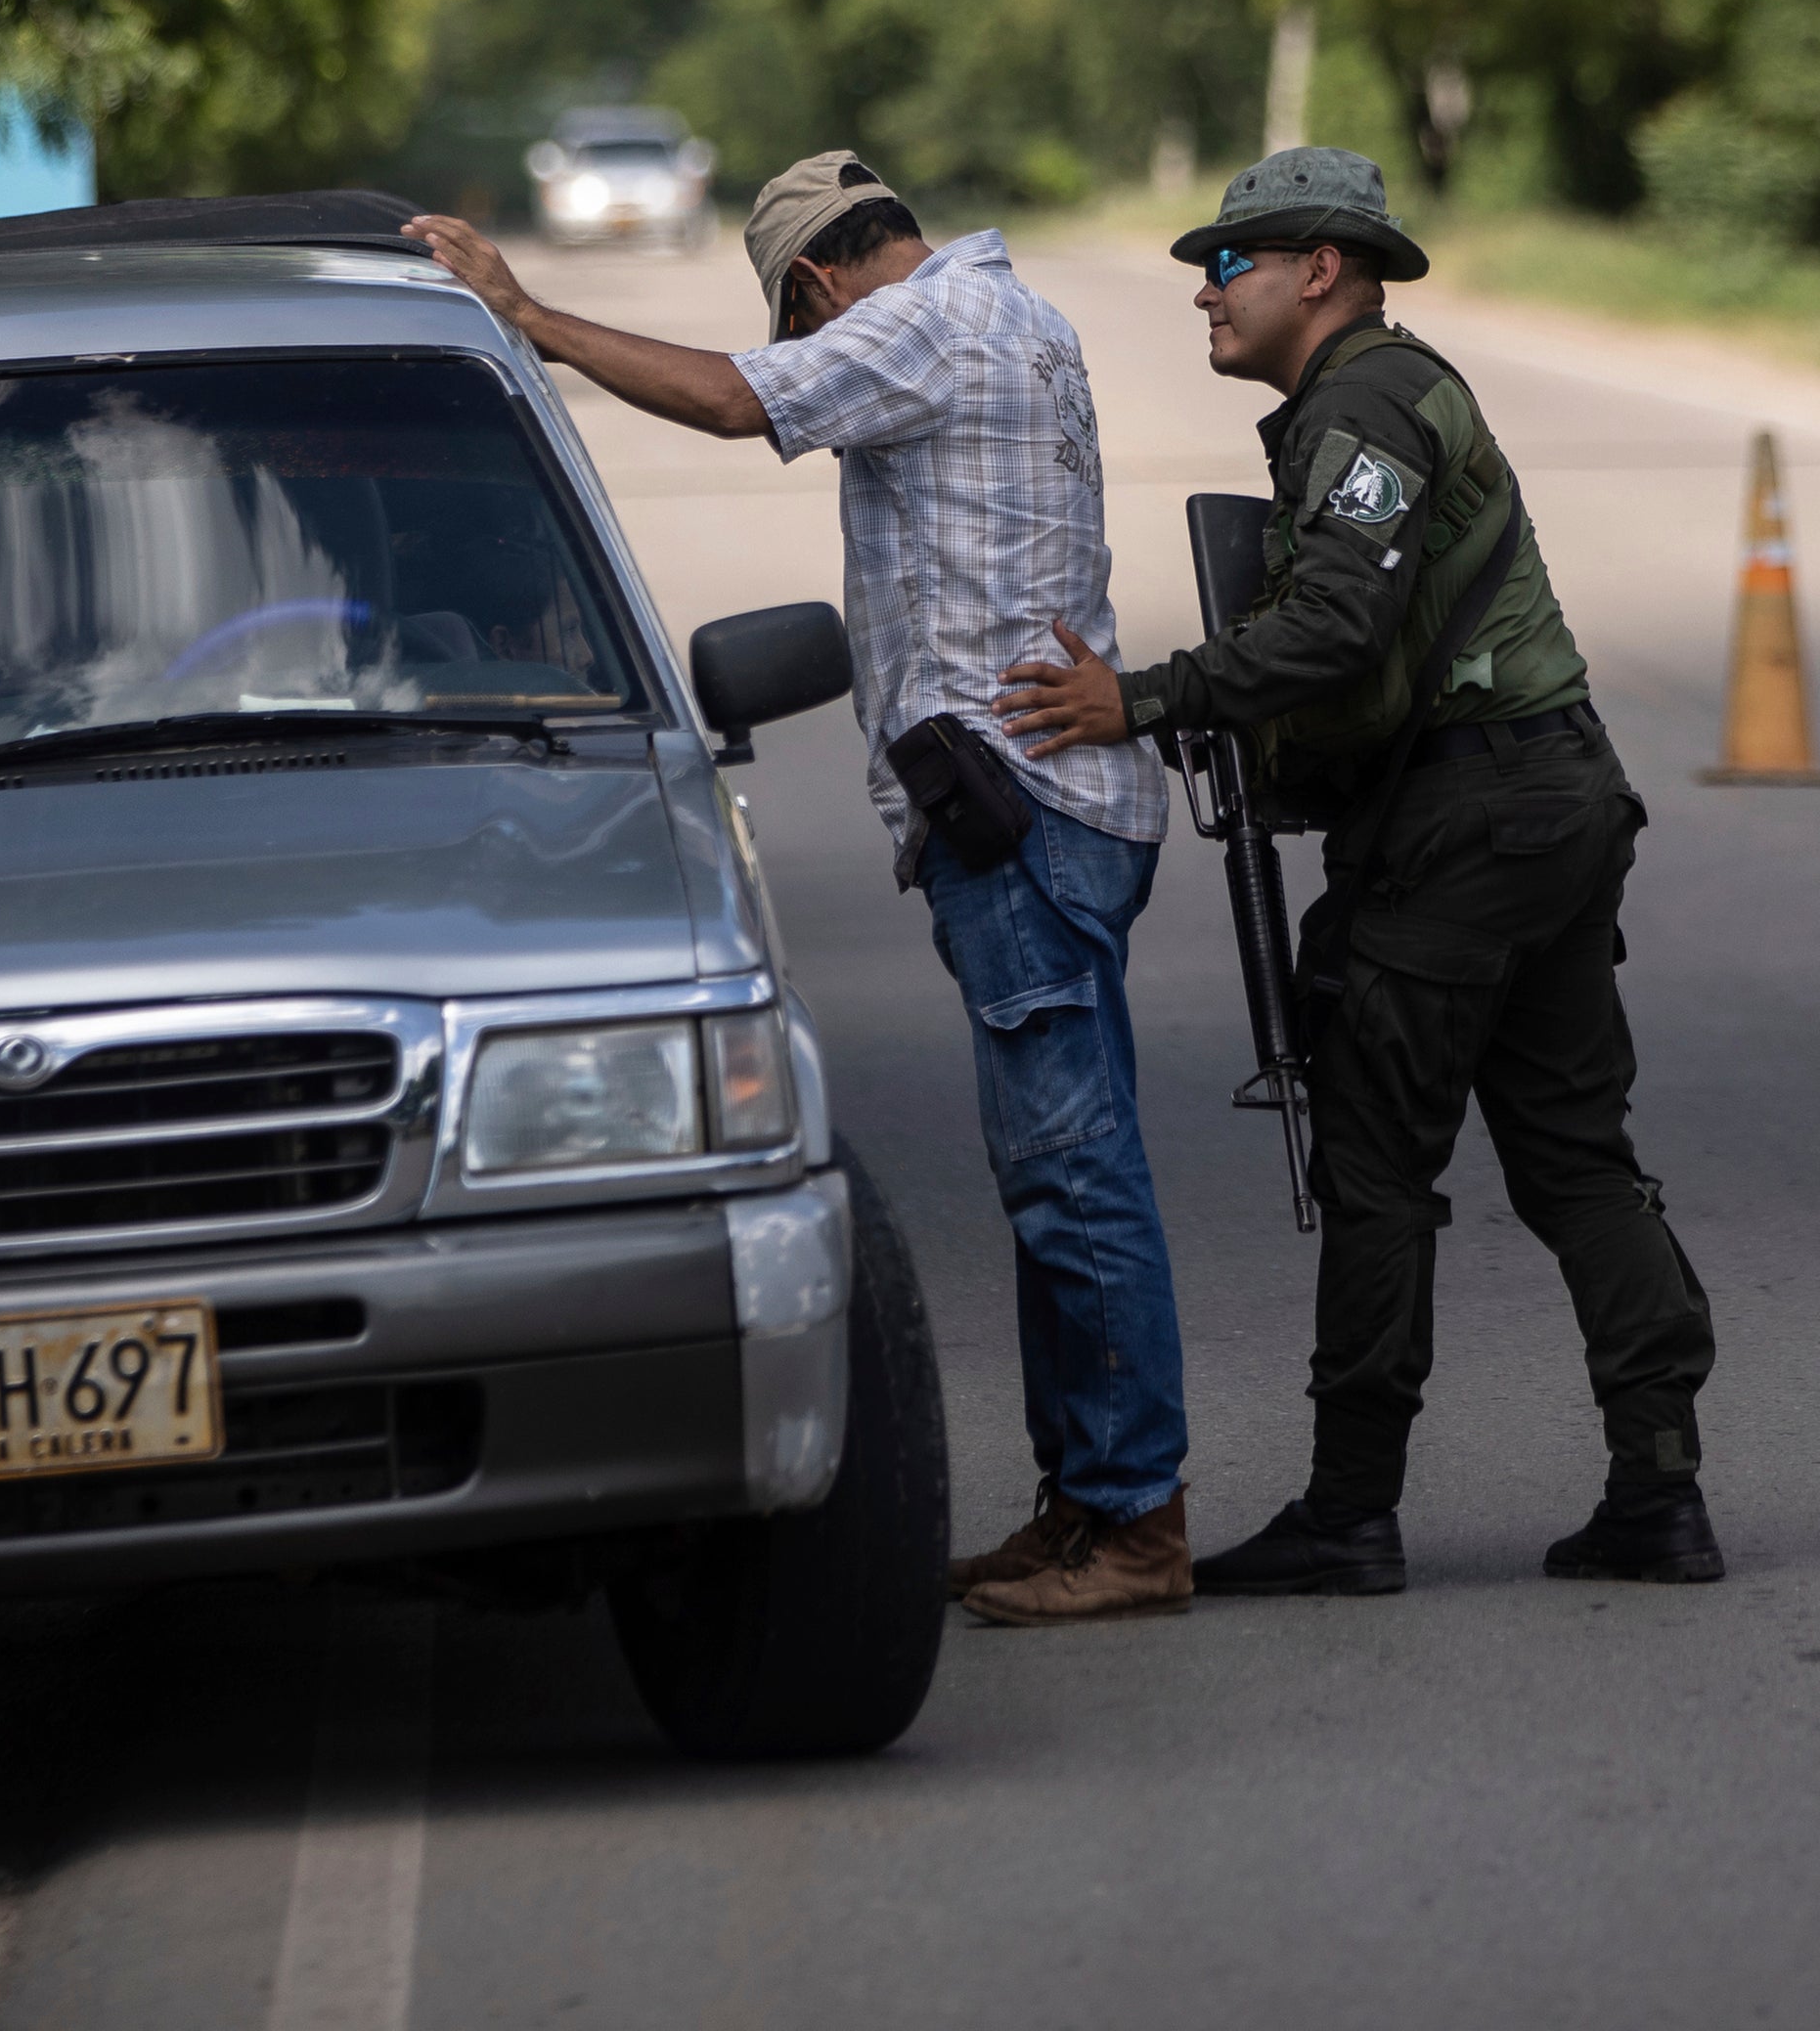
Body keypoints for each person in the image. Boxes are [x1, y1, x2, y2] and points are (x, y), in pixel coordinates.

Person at [405, 157, 1194, 1625]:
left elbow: (731, 400)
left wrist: (532, 316)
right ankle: (1089, 1504)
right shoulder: (1017, 316)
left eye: (802, 320)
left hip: (1019, 815)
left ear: (819, 283)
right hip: (1053, 809)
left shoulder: (921, 324)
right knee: (1057, 1172)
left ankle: (1136, 1522)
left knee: (1075, 1176)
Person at [996, 146, 1722, 1594]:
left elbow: (1334, 625)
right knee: (1578, 1162)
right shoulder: (1369, 397)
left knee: (1379, 1167)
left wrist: (1144, 698)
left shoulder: (1369, 402)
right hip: (1541, 802)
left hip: (1475, 820)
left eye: (1229, 264)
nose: (1205, 292)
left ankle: (1350, 1513)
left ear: (1320, 270)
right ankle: (1661, 1491)